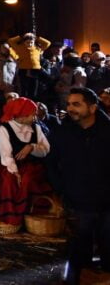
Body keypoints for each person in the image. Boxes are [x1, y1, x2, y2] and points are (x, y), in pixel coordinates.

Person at [47, 87, 110, 284]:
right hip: (77, 198)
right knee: (79, 247)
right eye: (69, 104)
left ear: (92, 108)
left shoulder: (108, 131)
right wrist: (61, 188)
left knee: (108, 244)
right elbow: (51, 162)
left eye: (76, 104)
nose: (70, 108)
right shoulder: (63, 131)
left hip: (107, 201)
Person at [0, 97, 51, 228]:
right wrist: (15, 171)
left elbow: (45, 150)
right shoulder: (5, 128)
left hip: (32, 166)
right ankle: (10, 218)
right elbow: (5, 153)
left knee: (27, 180)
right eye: (33, 113)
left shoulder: (36, 128)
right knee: (9, 180)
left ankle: (23, 217)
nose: (35, 116)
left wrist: (32, 147)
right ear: (22, 115)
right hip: (11, 165)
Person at [8, 32, 51, 100]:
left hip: (35, 70)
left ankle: (33, 104)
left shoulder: (38, 48)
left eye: (31, 42)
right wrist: (21, 36)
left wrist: (36, 37)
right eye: (27, 42)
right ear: (24, 42)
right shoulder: (20, 48)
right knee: (23, 90)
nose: (30, 44)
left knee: (33, 90)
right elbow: (10, 41)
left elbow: (47, 43)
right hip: (23, 70)